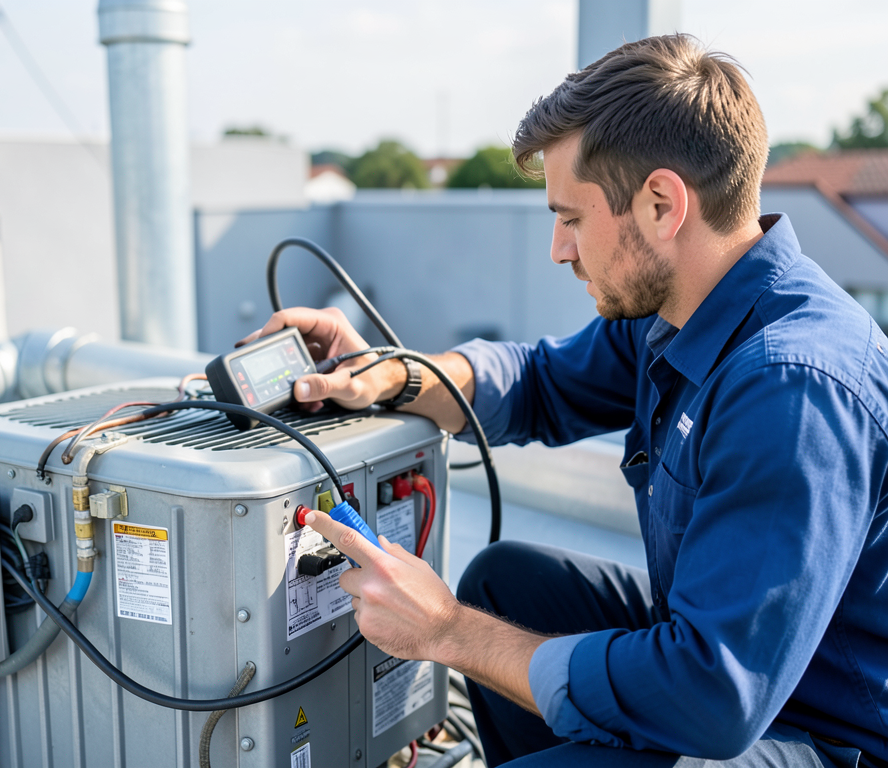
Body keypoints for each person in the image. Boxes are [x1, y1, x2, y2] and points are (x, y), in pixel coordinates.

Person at [241, 34, 888, 767]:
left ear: (661, 204)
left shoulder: (792, 385)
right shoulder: (681, 309)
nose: (559, 248)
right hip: (736, 678)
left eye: (572, 218)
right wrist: (394, 374)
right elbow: (542, 382)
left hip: (821, 735)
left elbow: (713, 695)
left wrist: (447, 630)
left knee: (485, 624)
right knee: (508, 587)